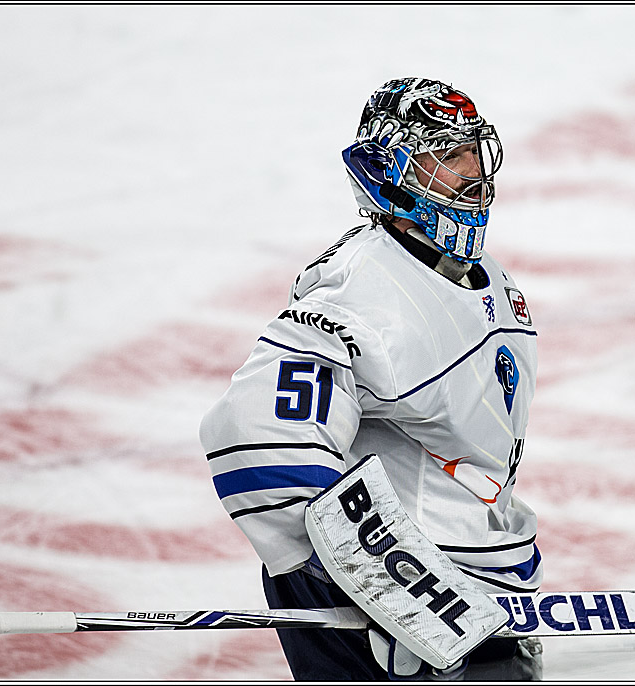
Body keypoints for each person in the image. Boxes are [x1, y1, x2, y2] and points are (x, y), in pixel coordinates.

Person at [199, 77, 543, 680]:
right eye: (446, 153)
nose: (473, 171)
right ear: (392, 170)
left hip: (477, 587)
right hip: (393, 595)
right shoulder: (361, 291)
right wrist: (383, 592)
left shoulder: (482, 273)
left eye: (474, 150)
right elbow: (255, 445)